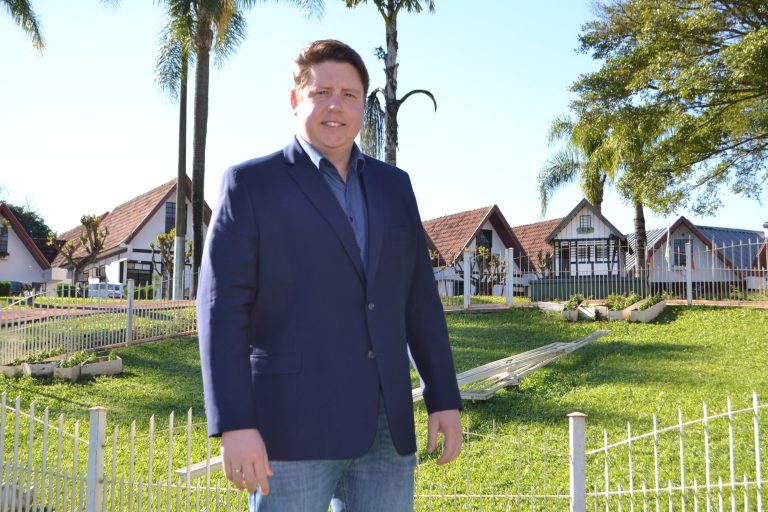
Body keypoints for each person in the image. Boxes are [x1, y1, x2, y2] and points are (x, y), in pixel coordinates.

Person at [197, 39, 463, 512]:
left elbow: (419, 300)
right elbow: (221, 310)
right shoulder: (250, 185)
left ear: (363, 105)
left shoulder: (395, 187)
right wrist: (235, 423)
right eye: (321, 92)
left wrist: (443, 396)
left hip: (386, 428)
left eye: (349, 94)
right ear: (295, 99)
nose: (335, 105)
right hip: (291, 428)